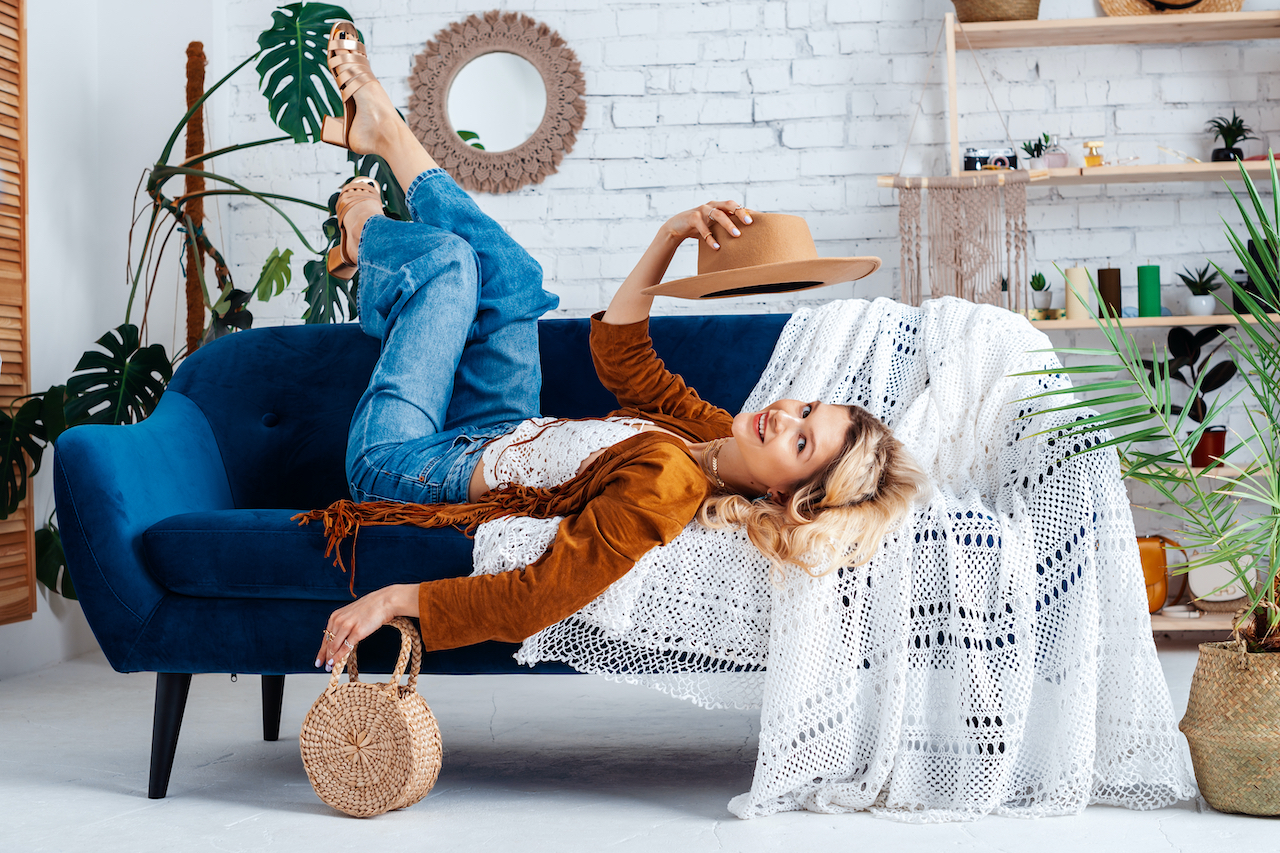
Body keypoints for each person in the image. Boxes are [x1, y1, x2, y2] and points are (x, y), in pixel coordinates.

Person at [312, 22, 927, 672]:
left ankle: (361, 228)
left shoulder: (666, 486)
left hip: (408, 466)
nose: (788, 416)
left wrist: (397, 600)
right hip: (498, 426)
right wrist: (668, 236)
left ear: (786, 497)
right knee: (514, 276)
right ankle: (382, 132)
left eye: (800, 444)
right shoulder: (716, 436)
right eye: (809, 411)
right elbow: (626, 362)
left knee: (447, 264)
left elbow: (540, 593)